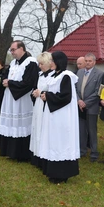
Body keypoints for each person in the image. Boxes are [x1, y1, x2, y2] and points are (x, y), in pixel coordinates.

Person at [39, 51, 80, 184]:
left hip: (62, 115)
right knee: (53, 141)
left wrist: (48, 96)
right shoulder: (55, 75)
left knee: (61, 142)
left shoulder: (66, 76)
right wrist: (45, 94)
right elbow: (53, 92)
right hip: (53, 114)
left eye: (52, 61)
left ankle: (62, 174)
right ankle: (53, 172)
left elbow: (65, 97)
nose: (50, 63)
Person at [0, 40, 38, 161]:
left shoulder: (31, 63)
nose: (12, 52)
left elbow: (29, 82)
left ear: (22, 49)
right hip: (10, 97)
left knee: (21, 124)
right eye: (11, 50)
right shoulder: (13, 63)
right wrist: (4, 80)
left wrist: (10, 83)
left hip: (22, 98)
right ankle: (8, 151)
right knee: (10, 122)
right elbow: (5, 75)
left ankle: (21, 153)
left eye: (14, 50)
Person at [76, 53, 103, 162]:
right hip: (80, 106)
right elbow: (75, 88)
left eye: (90, 61)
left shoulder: (99, 74)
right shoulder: (80, 72)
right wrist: (79, 100)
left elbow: (97, 92)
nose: (87, 63)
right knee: (81, 130)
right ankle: (82, 151)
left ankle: (94, 152)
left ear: (94, 62)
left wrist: (86, 103)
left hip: (91, 107)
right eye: (86, 61)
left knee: (92, 130)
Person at [29, 52, 54, 168]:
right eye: (39, 63)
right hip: (38, 105)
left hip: (47, 106)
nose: (40, 66)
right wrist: (34, 92)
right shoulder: (39, 74)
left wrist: (42, 93)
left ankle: (44, 157)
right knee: (37, 128)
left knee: (44, 129)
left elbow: (53, 92)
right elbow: (35, 87)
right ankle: (36, 155)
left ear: (49, 63)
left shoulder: (53, 76)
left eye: (42, 64)